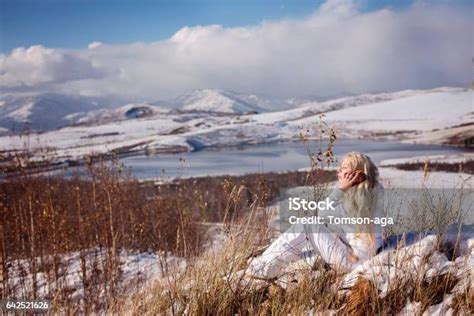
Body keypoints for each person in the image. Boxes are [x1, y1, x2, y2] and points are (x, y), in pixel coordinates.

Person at [246, 152, 385, 279]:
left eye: (343, 168)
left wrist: (341, 188)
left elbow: (322, 213)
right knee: (313, 228)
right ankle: (264, 261)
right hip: (356, 255)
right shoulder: (373, 191)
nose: (339, 171)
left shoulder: (359, 198)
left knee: (308, 224)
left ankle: (265, 268)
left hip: (352, 261)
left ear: (356, 175)